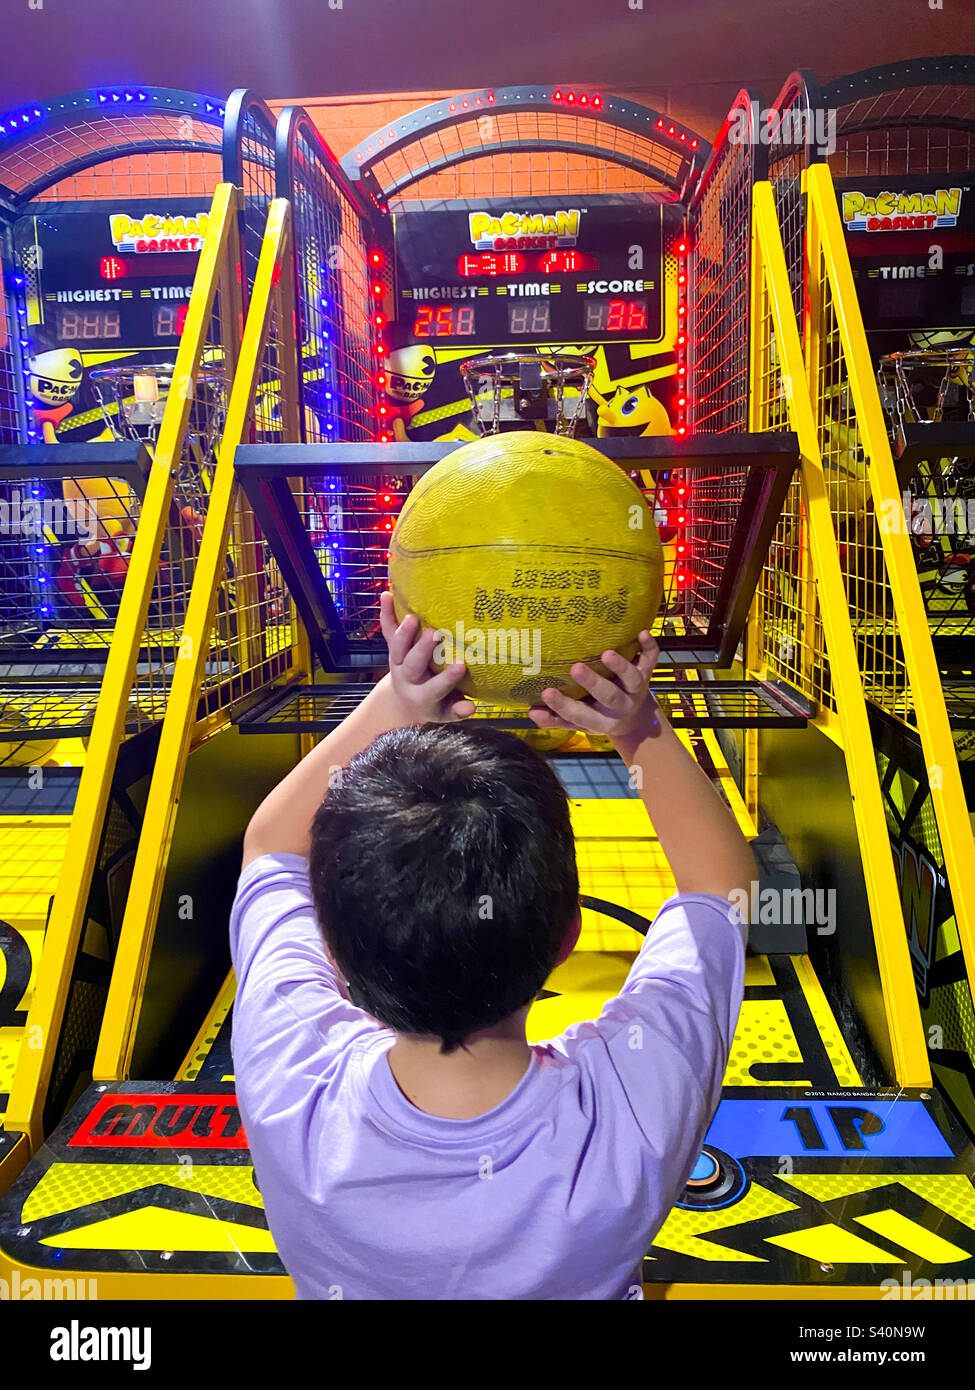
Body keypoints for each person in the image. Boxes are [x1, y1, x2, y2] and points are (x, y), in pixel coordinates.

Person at [230, 591, 754, 1300]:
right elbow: (722, 888)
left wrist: (397, 698)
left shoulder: (293, 1082)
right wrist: (640, 730)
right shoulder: (627, 1106)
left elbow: (268, 846)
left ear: (333, 949)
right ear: (568, 933)